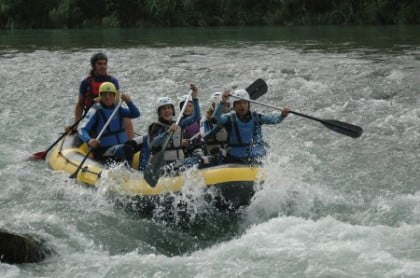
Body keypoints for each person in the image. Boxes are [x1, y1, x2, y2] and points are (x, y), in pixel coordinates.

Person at [67, 52, 135, 139]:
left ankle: (132, 145)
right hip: (92, 115)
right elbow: (80, 104)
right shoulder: (86, 83)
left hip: (109, 114)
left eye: (105, 64)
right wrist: (76, 124)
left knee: (127, 119)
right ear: (93, 65)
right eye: (99, 64)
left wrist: (102, 99)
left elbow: (116, 100)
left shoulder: (113, 81)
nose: (103, 66)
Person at [214, 89, 290, 164]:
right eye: (238, 103)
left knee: (258, 155)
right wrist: (222, 102)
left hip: (254, 156)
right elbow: (216, 119)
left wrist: (282, 115)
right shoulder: (229, 117)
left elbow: (274, 119)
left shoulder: (257, 117)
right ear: (234, 106)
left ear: (248, 105)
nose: (242, 106)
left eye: (244, 103)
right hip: (235, 157)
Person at [78, 82, 140, 163]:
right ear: (100, 96)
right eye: (104, 95)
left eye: (110, 94)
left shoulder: (118, 108)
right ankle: (128, 171)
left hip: (123, 146)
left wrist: (129, 102)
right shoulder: (95, 111)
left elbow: (135, 114)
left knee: (144, 141)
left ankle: (143, 169)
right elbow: (81, 129)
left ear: (114, 96)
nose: (108, 97)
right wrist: (89, 140)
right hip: (105, 150)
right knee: (126, 149)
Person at [147, 84, 201, 169]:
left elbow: (196, 117)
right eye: (163, 109)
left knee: (199, 158)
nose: (167, 111)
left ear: (172, 110)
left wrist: (195, 97)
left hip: (179, 163)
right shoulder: (155, 126)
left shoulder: (178, 124)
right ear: (159, 113)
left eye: (169, 108)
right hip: (164, 165)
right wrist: (167, 132)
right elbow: (153, 144)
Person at [198, 91, 231, 166]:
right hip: (211, 151)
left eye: (227, 105)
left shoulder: (229, 117)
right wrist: (217, 128)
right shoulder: (205, 119)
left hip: (227, 151)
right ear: (214, 106)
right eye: (223, 105)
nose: (225, 108)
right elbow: (205, 136)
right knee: (218, 153)